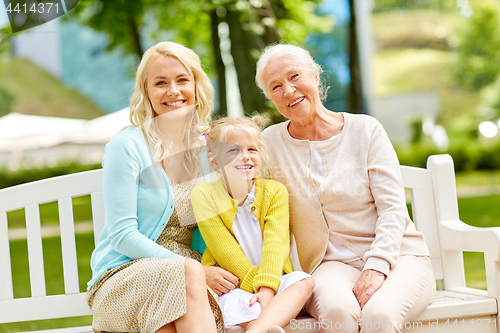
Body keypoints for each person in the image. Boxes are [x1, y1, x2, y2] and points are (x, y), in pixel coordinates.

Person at [255, 43, 436, 333]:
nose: (288, 90)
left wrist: (376, 266)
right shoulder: (269, 144)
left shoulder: (366, 130)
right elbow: (247, 197)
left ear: (315, 76)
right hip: (328, 266)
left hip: (400, 256)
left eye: (294, 76)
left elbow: (392, 209)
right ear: (270, 98)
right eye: (276, 86)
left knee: (379, 315)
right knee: (338, 311)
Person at [86, 41, 238, 333]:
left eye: (182, 80)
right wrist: (196, 270)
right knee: (184, 277)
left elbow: (234, 216)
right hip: (123, 276)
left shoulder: (208, 151)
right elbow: (122, 235)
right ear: (146, 92)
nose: (173, 90)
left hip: (188, 283)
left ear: (197, 86)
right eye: (160, 83)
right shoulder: (128, 145)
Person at [191, 116, 315, 333]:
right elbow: (224, 249)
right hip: (234, 284)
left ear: (261, 155)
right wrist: (254, 287)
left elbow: (276, 243)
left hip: (275, 278)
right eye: (233, 151)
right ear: (215, 162)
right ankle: (261, 327)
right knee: (236, 302)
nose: (244, 157)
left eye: (252, 150)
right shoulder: (204, 195)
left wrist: (267, 288)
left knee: (304, 281)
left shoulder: (275, 191)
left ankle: (256, 331)